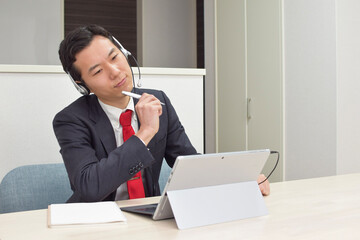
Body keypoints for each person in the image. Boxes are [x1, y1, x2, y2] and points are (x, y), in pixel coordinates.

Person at [53, 25, 269, 203]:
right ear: (82, 84)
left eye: (115, 57)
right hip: (95, 221)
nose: (116, 71)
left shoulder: (159, 101)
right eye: (98, 71)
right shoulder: (70, 120)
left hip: (147, 215)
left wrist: (240, 181)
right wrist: (145, 132)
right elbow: (89, 187)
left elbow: (189, 164)